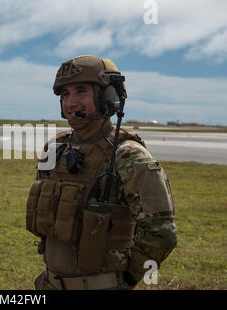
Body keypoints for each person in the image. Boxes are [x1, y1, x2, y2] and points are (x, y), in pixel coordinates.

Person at [26, 55, 177, 290]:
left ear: (108, 97)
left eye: (81, 91)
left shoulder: (128, 155)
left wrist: (126, 279)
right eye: (65, 94)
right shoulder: (54, 148)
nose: (71, 102)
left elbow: (161, 233)